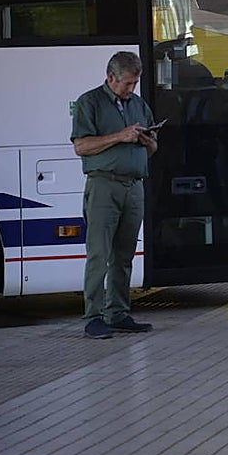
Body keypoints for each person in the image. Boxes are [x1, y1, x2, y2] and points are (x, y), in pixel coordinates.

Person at [71, 51, 158, 340]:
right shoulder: (89, 103)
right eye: (127, 84)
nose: (131, 89)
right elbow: (82, 146)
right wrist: (120, 136)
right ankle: (93, 317)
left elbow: (152, 149)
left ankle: (118, 312)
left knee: (124, 254)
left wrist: (148, 141)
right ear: (111, 77)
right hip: (103, 185)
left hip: (134, 185)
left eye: (135, 83)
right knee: (99, 252)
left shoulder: (138, 105)